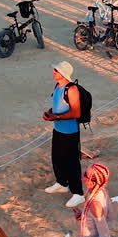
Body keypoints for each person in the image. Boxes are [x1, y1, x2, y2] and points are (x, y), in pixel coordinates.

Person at [42, 61, 85, 208]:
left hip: (70, 132)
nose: (53, 72)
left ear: (63, 73)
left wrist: (56, 117)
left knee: (72, 162)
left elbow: (76, 112)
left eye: (56, 70)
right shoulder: (57, 87)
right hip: (58, 129)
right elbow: (58, 106)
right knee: (57, 158)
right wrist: (50, 113)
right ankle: (62, 183)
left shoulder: (71, 89)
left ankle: (78, 193)